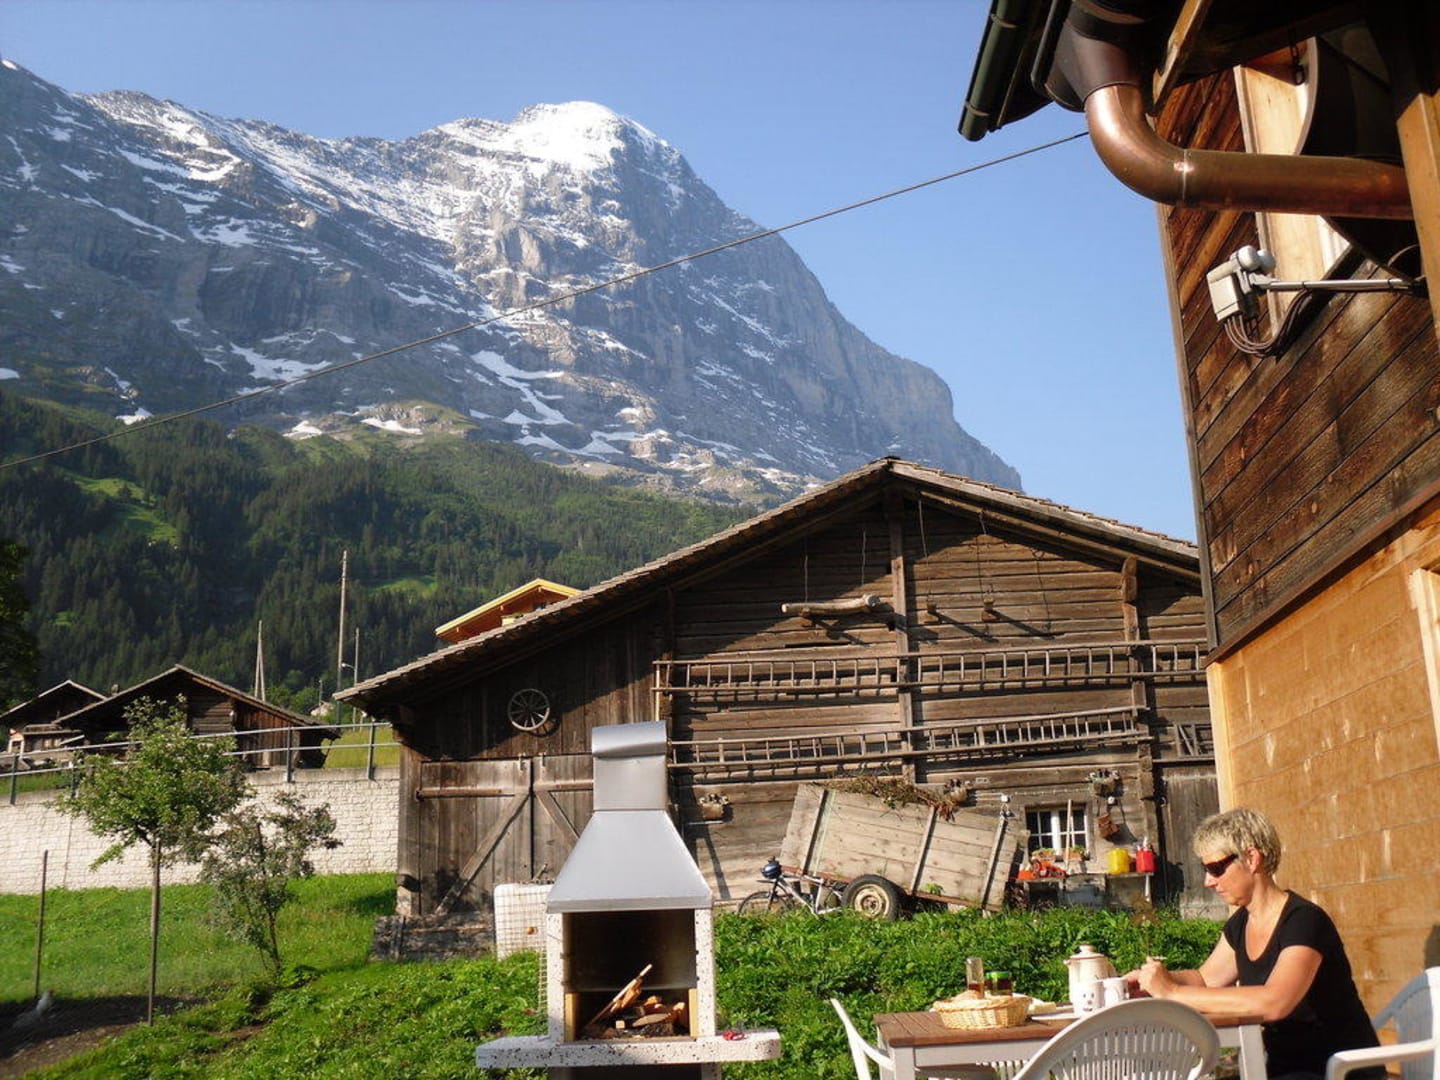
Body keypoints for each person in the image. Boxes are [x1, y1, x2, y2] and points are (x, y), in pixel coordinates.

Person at [1128, 808, 1381, 1080]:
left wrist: (1173, 992)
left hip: (1337, 1070)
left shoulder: (1304, 921)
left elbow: (1275, 1002)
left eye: (1215, 868)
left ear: (1251, 859)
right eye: (1205, 869)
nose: (1208, 881)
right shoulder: (1241, 923)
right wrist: (1150, 982)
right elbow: (1205, 979)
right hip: (1283, 1070)